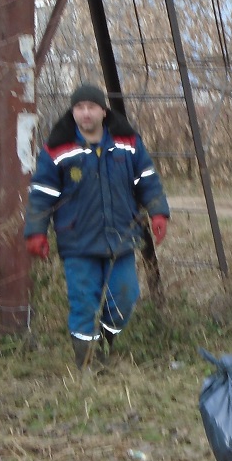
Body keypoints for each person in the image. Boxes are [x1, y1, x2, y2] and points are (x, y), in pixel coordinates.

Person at [24, 83, 170, 369]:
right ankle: (88, 365)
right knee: (83, 304)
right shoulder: (58, 148)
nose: (85, 113)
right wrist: (36, 231)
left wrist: (158, 213)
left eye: (91, 107)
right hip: (78, 241)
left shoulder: (128, 143)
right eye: (79, 108)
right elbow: (42, 194)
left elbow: (147, 179)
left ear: (103, 112)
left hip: (122, 237)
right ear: (73, 112)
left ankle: (102, 340)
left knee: (126, 297)